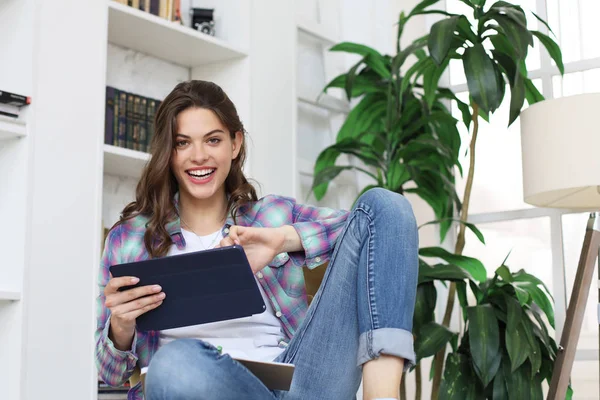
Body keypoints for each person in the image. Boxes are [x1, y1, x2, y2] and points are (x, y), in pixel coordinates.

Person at [95, 80, 419, 400]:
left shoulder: (272, 215)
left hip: (300, 387)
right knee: (174, 363)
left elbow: (370, 229)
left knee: (387, 206)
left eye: (213, 140)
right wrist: (121, 327)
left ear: (234, 144)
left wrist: (283, 239)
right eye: (182, 143)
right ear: (169, 151)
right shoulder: (130, 239)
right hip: (197, 383)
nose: (198, 156)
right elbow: (108, 373)